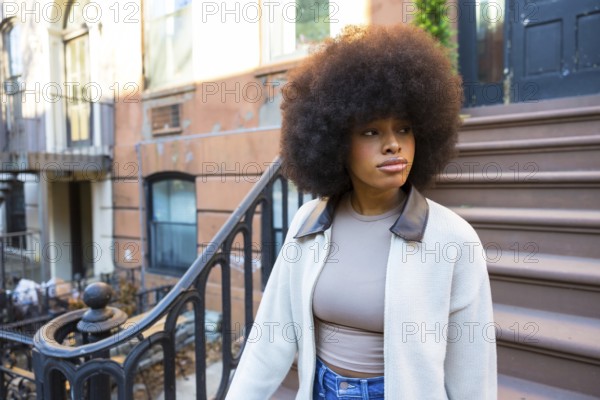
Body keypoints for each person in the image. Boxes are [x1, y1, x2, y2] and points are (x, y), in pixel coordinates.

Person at [226, 24, 497, 399]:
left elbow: (472, 372)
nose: (392, 145)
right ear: (335, 140)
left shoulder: (453, 239)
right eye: (371, 132)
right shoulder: (309, 223)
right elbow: (272, 335)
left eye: (404, 129)